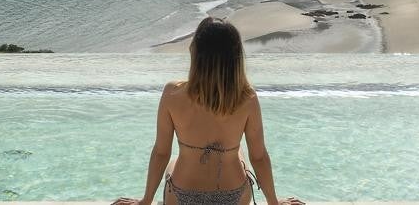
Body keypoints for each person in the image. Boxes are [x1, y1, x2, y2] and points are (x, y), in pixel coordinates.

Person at [113, 17, 304, 205]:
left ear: (195, 52)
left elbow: (161, 153)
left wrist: (145, 200)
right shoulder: (247, 98)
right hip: (233, 194)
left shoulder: (172, 93)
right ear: (235, 58)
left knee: (173, 160)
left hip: (182, 194)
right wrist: (274, 202)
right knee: (239, 154)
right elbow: (259, 156)